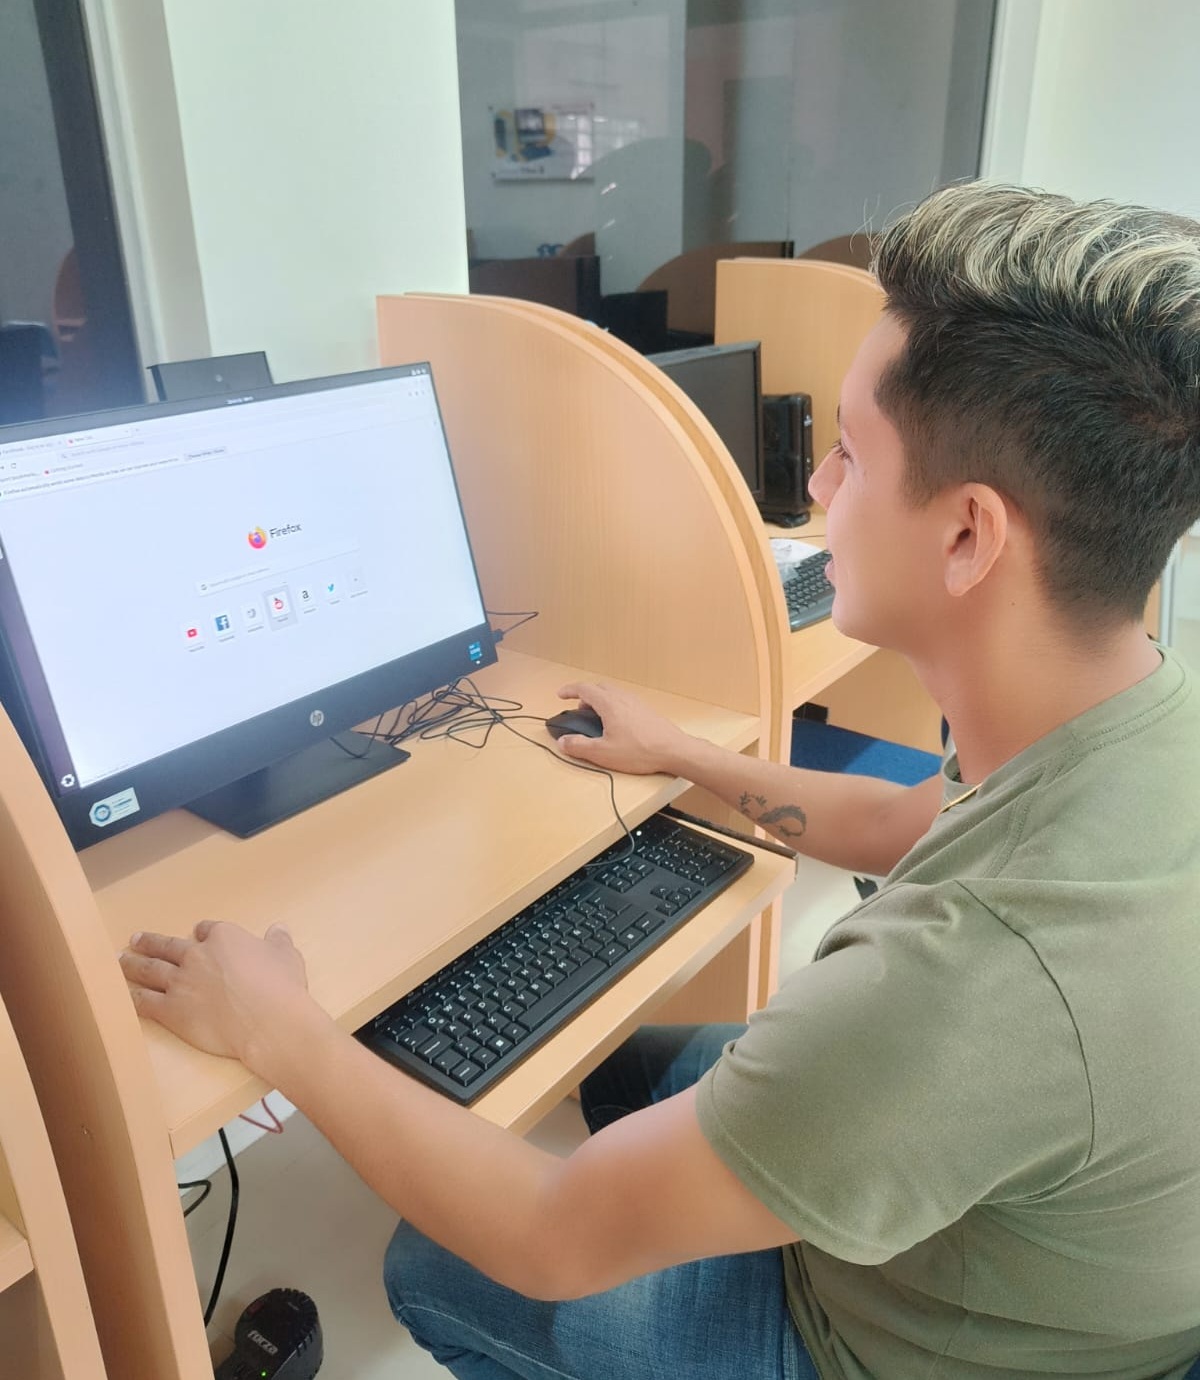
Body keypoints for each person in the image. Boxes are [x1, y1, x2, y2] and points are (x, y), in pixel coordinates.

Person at [121, 182, 1200, 1380]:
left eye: (849, 453)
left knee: (434, 1263)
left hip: (886, 1345)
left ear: (968, 536)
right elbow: (911, 822)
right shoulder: (1132, 706)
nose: (819, 489)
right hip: (1040, 1246)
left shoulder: (967, 985)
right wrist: (687, 757)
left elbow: (550, 1238)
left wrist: (280, 1031)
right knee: (636, 1069)